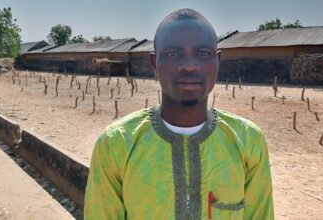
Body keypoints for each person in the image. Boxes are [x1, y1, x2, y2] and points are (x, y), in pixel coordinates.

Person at [84, 8, 274, 220]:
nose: (189, 66)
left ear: (217, 61)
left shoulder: (248, 140)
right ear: (155, 64)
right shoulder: (116, 143)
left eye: (203, 53)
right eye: (173, 54)